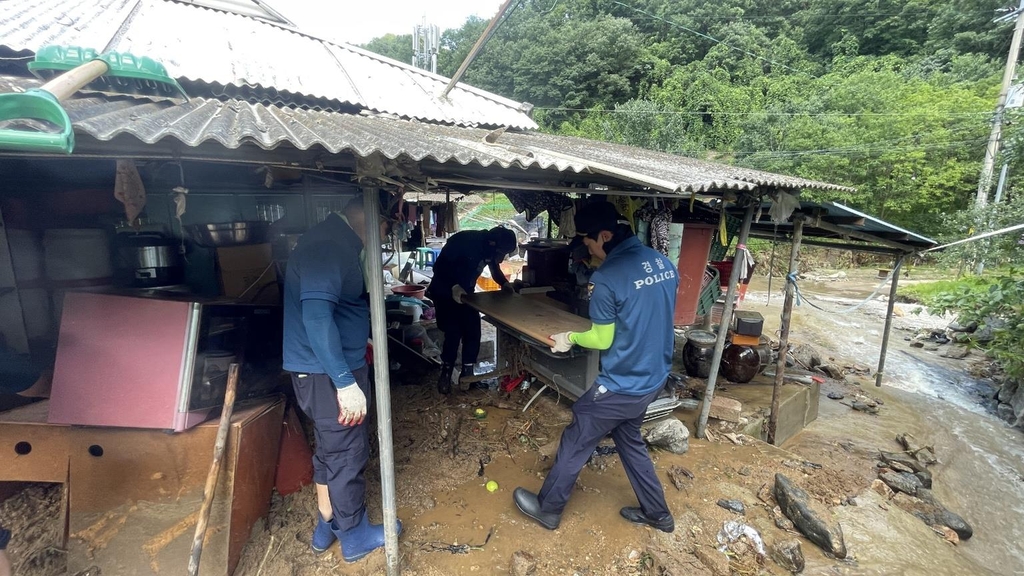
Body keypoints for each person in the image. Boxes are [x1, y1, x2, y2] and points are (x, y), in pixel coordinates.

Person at [512, 201, 678, 533]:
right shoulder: (661, 262)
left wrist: (569, 336)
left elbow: (602, 339)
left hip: (623, 384)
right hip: (654, 377)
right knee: (629, 439)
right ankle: (658, 514)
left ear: (604, 235)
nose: (588, 249)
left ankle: (548, 508)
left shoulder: (608, 278)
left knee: (577, 436)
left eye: (588, 242)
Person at [282, 198, 400, 563]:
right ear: (367, 217)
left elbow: (334, 309)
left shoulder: (335, 241)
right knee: (347, 451)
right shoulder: (329, 247)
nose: (384, 236)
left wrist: (356, 339)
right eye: (385, 227)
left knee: (330, 449)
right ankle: (355, 535)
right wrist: (345, 382)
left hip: (322, 369)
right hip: (327, 375)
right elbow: (317, 319)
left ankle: (326, 524)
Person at [425, 226, 518, 394]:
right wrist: (453, 286)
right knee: (453, 333)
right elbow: (439, 267)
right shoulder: (464, 241)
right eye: (501, 252)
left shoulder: (489, 250)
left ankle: (468, 376)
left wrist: (504, 284)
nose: (501, 257)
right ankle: (445, 375)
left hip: (466, 294)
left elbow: (494, 269)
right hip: (445, 291)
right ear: (492, 243)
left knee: (473, 331)